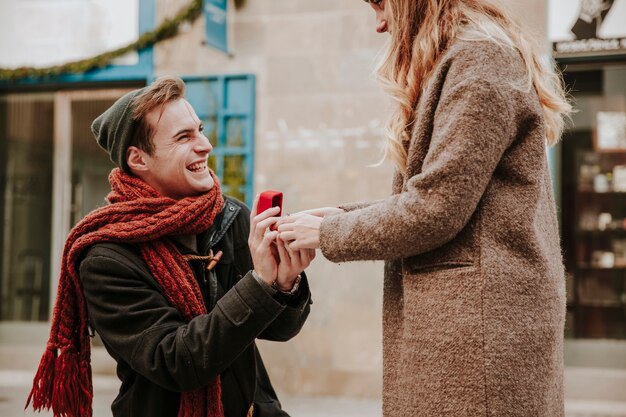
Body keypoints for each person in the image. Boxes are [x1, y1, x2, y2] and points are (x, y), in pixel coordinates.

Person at [278, 1, 572, 416]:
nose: (379, 24)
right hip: (474, 325)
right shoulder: (470, 56)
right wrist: (340, 216)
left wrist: (330, 233)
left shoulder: (480, 60)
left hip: (479, 332)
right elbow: (440, 193)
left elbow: (436, 208)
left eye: (380, 6)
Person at [26, 76, 313, 417]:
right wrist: (260, 284)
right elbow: (175, 361)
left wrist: (285, 283)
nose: (205, 145)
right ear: (138, 159)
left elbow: (279, 330)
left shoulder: (228, 216)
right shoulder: (105, 255)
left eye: (200, 130)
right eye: (184, 138)